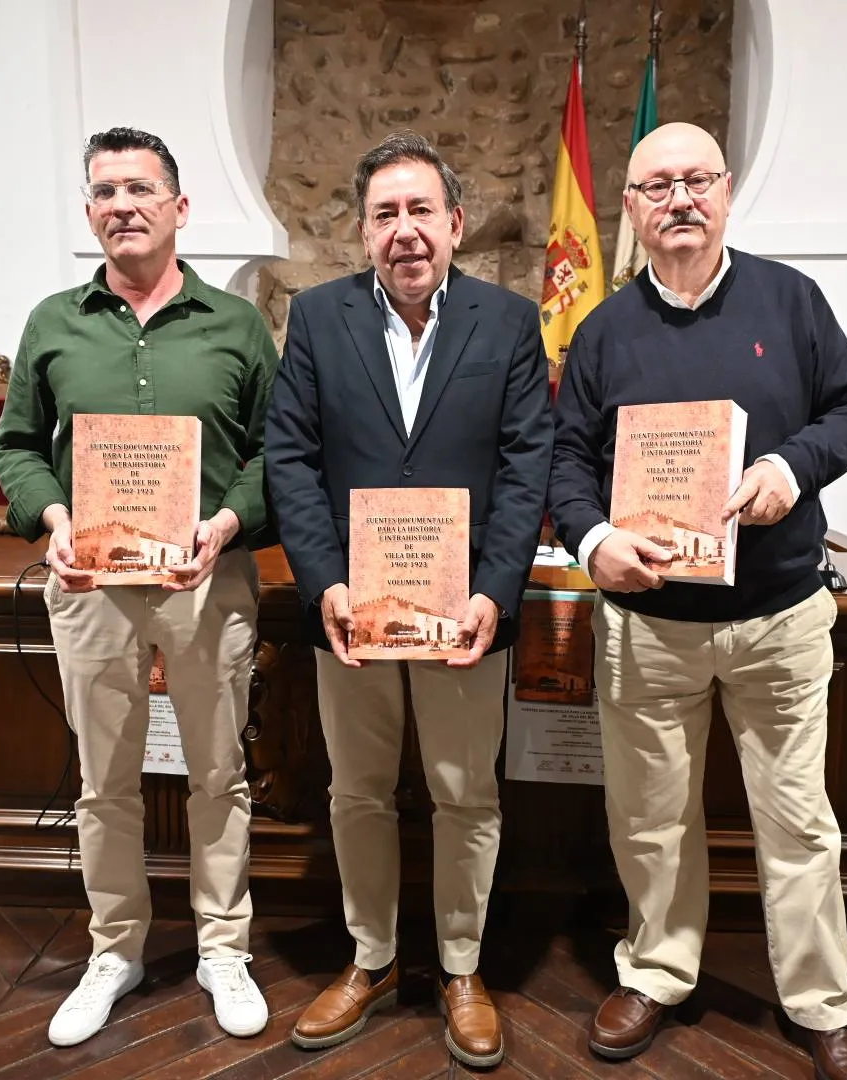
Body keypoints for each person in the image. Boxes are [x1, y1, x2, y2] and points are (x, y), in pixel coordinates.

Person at [548, 121, 847, 1080]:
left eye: (697, 180)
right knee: (650, 818)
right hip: (649, 628)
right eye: (658, 186)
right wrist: (595, 540)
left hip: (779, 616)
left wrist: (791, 463)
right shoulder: (604, 330)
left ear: (728, 190)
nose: (680, 200)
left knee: (798, 821)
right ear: (631, 208)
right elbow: (568, 460)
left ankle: (821, 1003)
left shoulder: (791, 298)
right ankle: (655, 972)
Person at [266, 130, 552, 1069]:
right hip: (351, 615)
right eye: (385, 214)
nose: (405, 231)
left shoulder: (508, 324)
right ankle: (373, 957)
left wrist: (494, 594)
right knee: (356, 792)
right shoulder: (316, 318)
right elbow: (292, 460)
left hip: (465, 617)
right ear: (362, 232)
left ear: (455, 223)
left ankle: (462, 967)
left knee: (466, 793)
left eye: (420, 210)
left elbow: (527, 466)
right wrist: (326, 585)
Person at [0, 126, 277, 1048]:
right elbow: (17, 447)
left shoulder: (235, 326)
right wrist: (54, 522)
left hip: (208, 580)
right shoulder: (52, 322)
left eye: (140, 190)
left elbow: (280, 451)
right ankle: (114, 948)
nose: (123, 207)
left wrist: (228, 521)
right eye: (105, 193)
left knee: (219, 774)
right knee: (102, 780)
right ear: (90, 214)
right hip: (91, 585)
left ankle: (221, 946)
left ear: (180, 208)